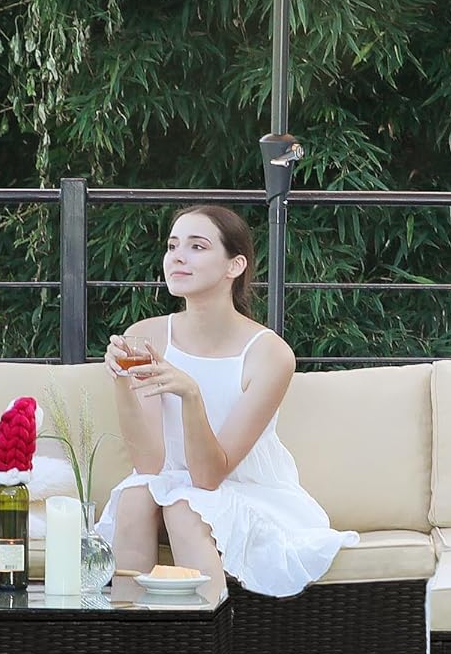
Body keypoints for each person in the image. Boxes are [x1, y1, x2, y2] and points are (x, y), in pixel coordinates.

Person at [96, 204, 359, 597]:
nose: (177, 257)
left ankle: (206, 633)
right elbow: (149, 465)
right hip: (170, 486)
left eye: (197, 246)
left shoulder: (268, 354)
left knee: (185, 508)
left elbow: (209, 477)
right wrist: (121, 379)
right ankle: (129, 631)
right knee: (134, 497)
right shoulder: (146, 336)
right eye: (172, 245)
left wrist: (190, 395)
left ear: (235, 266)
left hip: (244, 491)